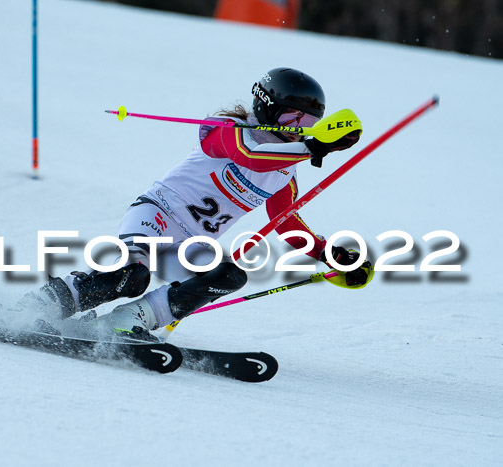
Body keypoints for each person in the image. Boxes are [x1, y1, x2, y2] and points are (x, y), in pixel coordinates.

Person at [34, 67, 368, 339]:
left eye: (309, 125)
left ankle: (127, 321)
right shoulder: (227, 130)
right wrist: (313, 147)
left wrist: (329, 254)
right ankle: (39, 306)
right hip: (158, 215)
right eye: (293, 119)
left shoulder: (285, 173)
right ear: (269, 107)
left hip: (192, 245)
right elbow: (249, 156)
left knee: (229, 276)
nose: (299, 131)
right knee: (131, 275)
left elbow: (286, 223)